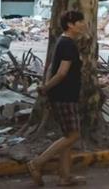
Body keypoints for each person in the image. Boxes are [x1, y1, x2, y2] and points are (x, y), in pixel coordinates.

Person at [27, 10, 86, 187]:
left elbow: (53, 66)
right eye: (80, 22)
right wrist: (45, 88)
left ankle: (65, 176)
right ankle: (37, 163)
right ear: (70, 25)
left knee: (67, 136)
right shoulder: (67, 44)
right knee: (73, 135)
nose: (83, 24)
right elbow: (61, 73)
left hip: (63, 95)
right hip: (64, 95)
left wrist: (46, 87)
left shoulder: (62, 41)